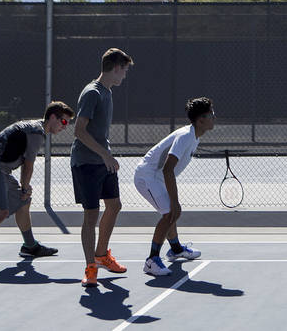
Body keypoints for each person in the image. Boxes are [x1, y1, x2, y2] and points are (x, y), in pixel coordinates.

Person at [0, 101, 75, 277]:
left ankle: (30, 246)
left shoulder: (36, 128)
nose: (65, 127)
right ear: (53, 117)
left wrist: (24, 190)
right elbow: (28, 165)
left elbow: (25, 164)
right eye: (64, 122)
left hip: (1, 170)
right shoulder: (36, 132)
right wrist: (25, 186)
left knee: (24, 202)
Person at [71, 47, 133, 288]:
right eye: (124, 70)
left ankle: (101, 255)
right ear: (116, 68)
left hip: (102, 160)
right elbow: (78, 131)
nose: (125, 75)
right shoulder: (92, 93)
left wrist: (106, 156)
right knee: (91, 215)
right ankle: (90, 267)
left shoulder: (107, 92)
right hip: (86, 163)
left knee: (114, 205)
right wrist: (105, 154)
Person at [134, 97, 216, 277]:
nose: (214, 117)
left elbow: (167, 171)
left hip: (157, 177)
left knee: (171, 211)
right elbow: (168, 169)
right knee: (171, 212)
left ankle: (176, 249)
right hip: (147, 176)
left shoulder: (194, 136)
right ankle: (151, 260)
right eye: (211, 114)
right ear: (200, 120)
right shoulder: (186, 136)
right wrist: (175, 201)